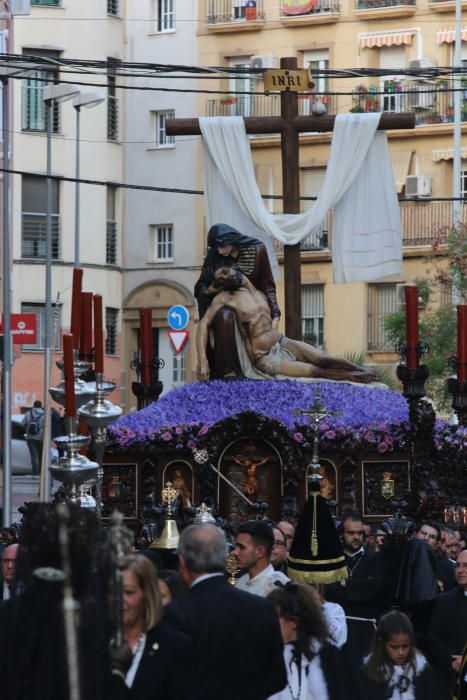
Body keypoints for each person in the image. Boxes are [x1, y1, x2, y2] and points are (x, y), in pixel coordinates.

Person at [163, 524, 287, 700]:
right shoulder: (262, 608)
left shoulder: (176, 613)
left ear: (182, 562)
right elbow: (278, 679)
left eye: (241, 547)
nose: (237, 552)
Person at [197, 266, 378, 383]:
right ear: (220, 284)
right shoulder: (225, 298)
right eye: (220, 276)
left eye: (225, 271)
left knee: (324, 358)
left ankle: (359, 369)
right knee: (316, 371)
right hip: (265, 358)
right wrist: (202, 360)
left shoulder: (257, 292)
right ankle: (355, 378)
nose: (224, 274)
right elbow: (203, 324)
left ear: (238, 271)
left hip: (281, 341)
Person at [194, 223, 280, 379]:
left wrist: (275, 313)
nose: (219, 251)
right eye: (216, 247)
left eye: (221, 246)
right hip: (226, 306)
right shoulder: (214, 256)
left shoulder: (258, 250)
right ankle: (228, 373)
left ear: (231, 239)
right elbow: (201, 285)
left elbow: (267, 285)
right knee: (224, 315)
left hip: (253, 310)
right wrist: (209, 291)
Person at [120, 555, 196, 699]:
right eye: (113, 591)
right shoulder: (95, 643)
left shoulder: (174, 646)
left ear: (147, 595)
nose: (119, 600)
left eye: (128, 592)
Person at [325, 512, 382, 679]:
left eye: (360, 533)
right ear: (342, 534)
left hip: (364, 632)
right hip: (335, 629)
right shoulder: (332, 559)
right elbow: (328, 589)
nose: (356, 537)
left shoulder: (374, 559)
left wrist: (346, 584)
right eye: (351, 533)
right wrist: (360, 587)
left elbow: (376, 590)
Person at [267, 582, 346, 699]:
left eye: (274, 617)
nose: (269, 623)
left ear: (293, 622)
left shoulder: (327, 658)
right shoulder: (268, 657)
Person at [357, 611, 439, 699]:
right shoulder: (369, 673)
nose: (401, 652)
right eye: (394, 647)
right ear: (381, 643)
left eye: (405, 646)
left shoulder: (423, 671)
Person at [428, 548, 467, 698]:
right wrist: (451, 660)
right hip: (449, 678)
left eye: (466, 566)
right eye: (457, 565)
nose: (461, 570)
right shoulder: (444, 601)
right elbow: (433, 636)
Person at [234, 520, 289, 596]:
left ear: (260, 552)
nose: (235, 552)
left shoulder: (278, 586)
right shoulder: (241, 581)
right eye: (236, 547)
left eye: (241, 547)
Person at [21, 400, 45, 477]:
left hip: (30, 437)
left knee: (34, 455)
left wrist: (27, 429)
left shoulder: (28, 413)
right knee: (41, 455)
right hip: (41, 437)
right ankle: (42, 472)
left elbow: (22, 424)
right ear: (41, 405)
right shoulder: (44, 414)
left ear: (34, 405)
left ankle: (36, 473)